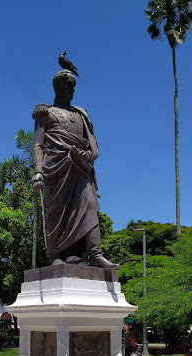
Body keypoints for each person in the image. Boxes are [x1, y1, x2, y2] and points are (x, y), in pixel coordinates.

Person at [31, 69, 119, 269]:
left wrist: (88, 156)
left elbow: (91, 143)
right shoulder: (45, 112)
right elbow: (38, 144)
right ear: (59, 87)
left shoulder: (81, 113)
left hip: (80, 166)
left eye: (74, 86)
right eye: (69, 86)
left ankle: (95, 253)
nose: (73, 90)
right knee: (57, 215)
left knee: (89, 204)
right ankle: (57, 255)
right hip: (55, 170)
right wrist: (38, 170)